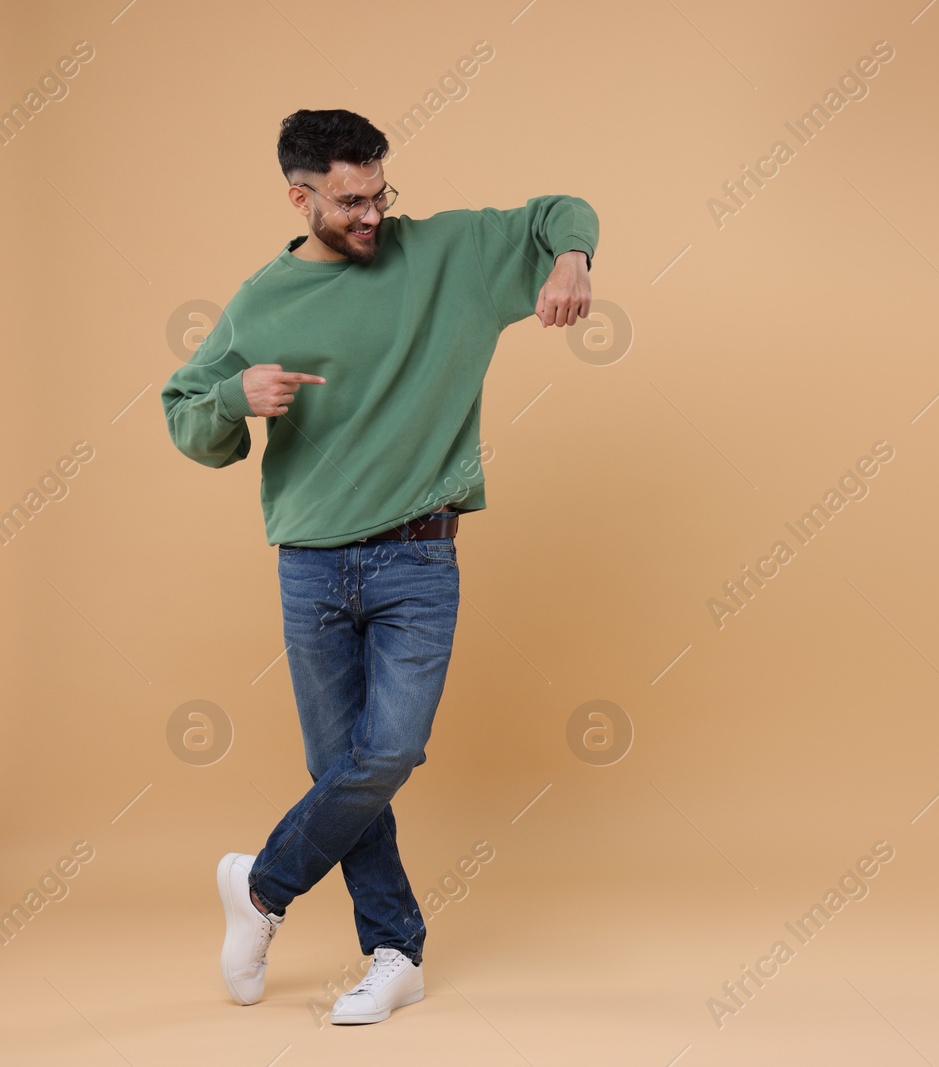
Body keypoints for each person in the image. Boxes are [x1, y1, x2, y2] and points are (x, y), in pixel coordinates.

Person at [161, 108, 598, 1024]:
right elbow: (189, 419)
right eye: (350, 200)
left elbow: (560, 209)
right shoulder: (262, 302)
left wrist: (571, 258)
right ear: (301, 196)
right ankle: (396, 951)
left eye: (379, 193)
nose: (371, 215)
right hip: (312, 570)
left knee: (389, 752)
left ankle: (263, 886)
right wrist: (235, 397)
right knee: (344, 774)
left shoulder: (446, 256)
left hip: (417, 558)